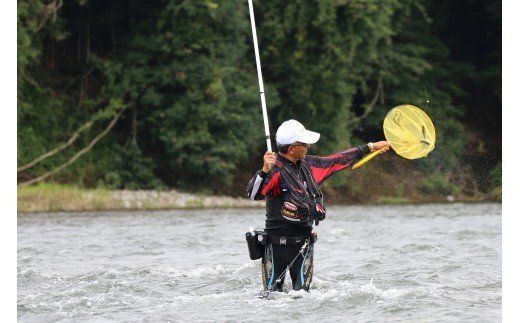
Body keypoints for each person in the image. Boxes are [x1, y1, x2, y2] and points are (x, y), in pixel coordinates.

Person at [246, 119, 390, 292]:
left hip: (304, 244)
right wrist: (264, 170)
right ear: (292, 149)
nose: (308, 146)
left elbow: (338, 159)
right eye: (304, 143)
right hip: (275, 246)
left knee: (303, 297)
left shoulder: (310, 165)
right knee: (270, 296)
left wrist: (371, 147)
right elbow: (254, 194)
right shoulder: (274, 171)